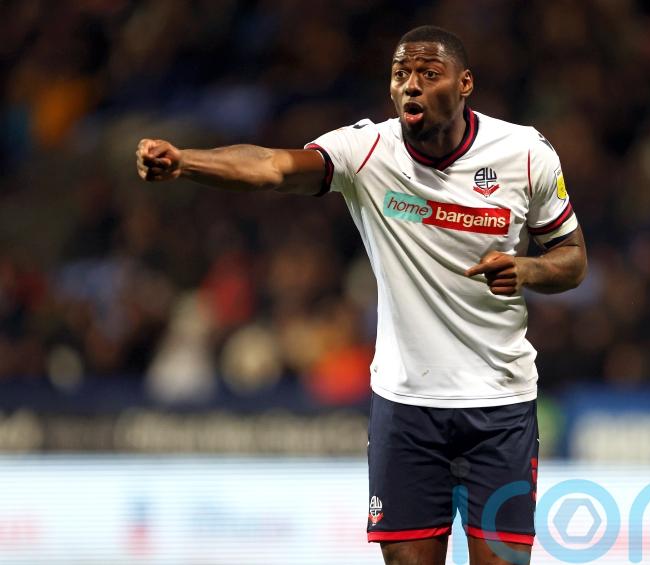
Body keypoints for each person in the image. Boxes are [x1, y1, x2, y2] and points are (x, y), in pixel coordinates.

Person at [136, 25, 586, 565]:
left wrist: (529, 270)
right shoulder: (368, 150)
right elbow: (272, 167)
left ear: (465, 84)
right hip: (406, 408)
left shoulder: (524, 153)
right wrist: (186, 161)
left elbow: (573, 258)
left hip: (500, 405)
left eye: (428, 73)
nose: (411, 86)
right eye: (401, 75)